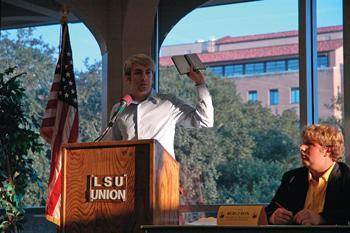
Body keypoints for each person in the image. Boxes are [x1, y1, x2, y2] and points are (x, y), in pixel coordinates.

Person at [104, 53, 214, 158]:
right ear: (128, 78)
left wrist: (200, 84)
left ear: (152, 77)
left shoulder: (169, 103)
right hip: (128, 172)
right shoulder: (119, 108)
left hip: (162, 173)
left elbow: (205, 120)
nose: (144, 78)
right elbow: (111, 147)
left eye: (148, 72)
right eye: (138, 72)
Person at [265, 124, 350, 225]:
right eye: (302, 144)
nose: (301, 148)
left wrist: (322, 219)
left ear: (327, 151)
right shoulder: (292, 178)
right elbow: (270, 210)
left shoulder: (346, 178)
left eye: (309, 144)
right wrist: (273, 217)